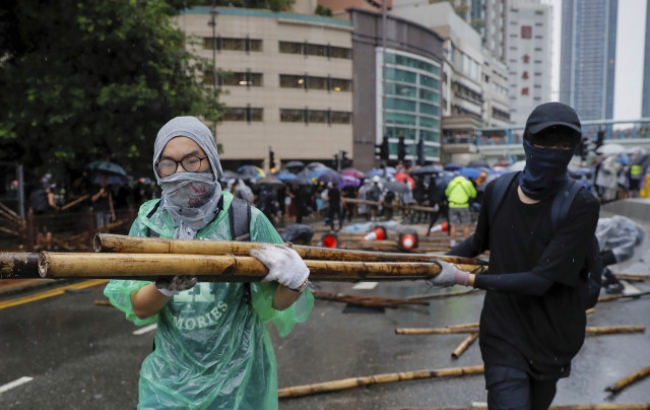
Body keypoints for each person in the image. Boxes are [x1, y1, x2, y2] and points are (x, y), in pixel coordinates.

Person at [103, 116, 313, 409]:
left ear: (211, 161)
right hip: (169, 382)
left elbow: (275, 304)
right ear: (157, 168)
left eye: (192, 160)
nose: (180, 173)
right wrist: (164, 286)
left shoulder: (245, 220)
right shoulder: (148, 224)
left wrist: (296, 279)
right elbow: (138, 306)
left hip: (240, 379)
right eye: (169, 164)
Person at [429, 102, 600, 409]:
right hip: (502, 332)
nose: (554, 150)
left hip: (552, 337)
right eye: (545, 141)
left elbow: (540, 281)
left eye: (564, 144)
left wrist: (462, 278)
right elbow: (476, 244)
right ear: (526, 141)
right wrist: (428, 264)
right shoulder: (497, 190)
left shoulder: (581, 204)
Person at [28, 177, 61, 251]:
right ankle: (48, 246)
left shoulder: (34, 193)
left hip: (37, 213)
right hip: (46, 213)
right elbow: (51, 203)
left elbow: (31, 206)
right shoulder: (48, 193)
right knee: (49, 230)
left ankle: (38, 246)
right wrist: (58, 208)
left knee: (39, 230)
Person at [444, 173, 476, 247]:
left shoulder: (452, 183)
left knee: (453, 225)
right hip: (464, 206)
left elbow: (447, 193)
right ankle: (466, 244)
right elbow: (473, 194)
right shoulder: (468, 183)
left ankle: (452, 244)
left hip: (452, 206)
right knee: (466, 225)